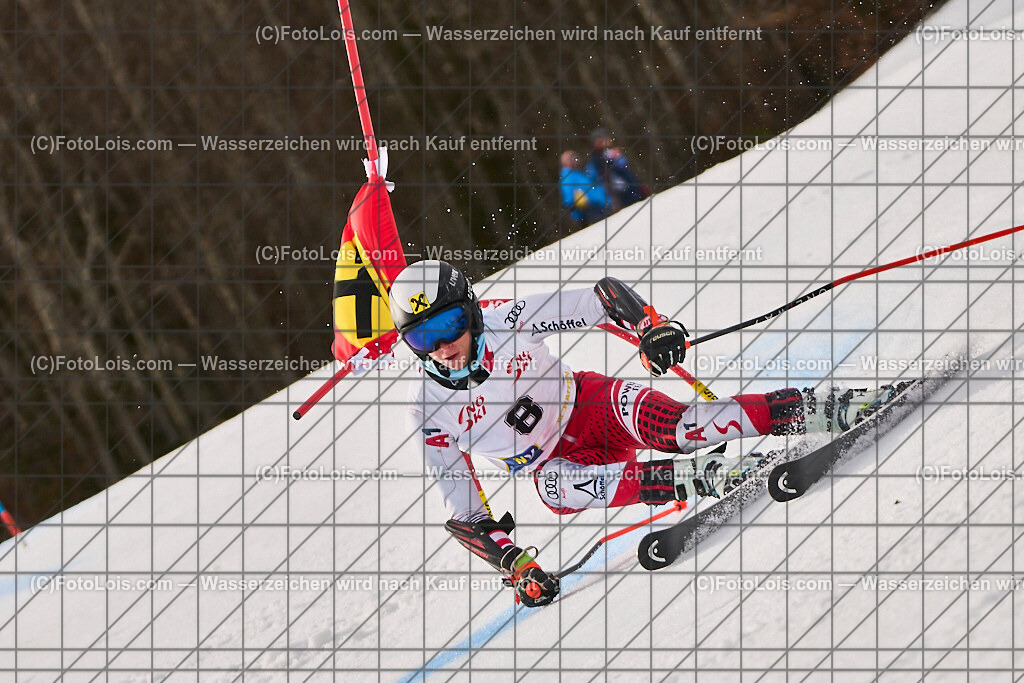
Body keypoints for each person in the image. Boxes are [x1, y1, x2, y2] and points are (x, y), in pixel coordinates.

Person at [389, 260, 909, 607]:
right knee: (554, 489)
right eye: (422, 338)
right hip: (556, 467)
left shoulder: (507, 319)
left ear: (471, 311)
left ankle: (829, 408)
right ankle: (705, 477)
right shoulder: (428, 410)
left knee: (683, 427)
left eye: (447, 326)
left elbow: (601, 297)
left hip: (591, 406)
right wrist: (517, 566)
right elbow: (467, 514)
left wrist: (649, 327)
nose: (441, 347)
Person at [587, 128, 651, 210]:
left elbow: (626, 170)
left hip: (629, 188)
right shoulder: (597, 159)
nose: (609, 140)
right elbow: (606, 176)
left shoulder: (609, 153)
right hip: (621, 193)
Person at [559, 150, 609, 226]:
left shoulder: (578, 173)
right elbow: (569, 198)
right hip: (589, 211)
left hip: (598, 206)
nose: (576, 160)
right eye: (572, 158)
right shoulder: (568, 176)